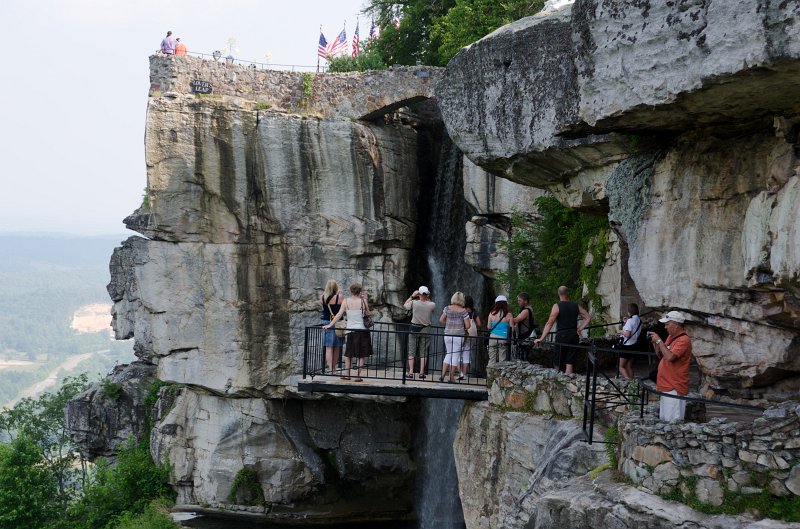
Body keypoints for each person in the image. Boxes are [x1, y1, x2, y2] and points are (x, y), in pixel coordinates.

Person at [534, 286, 590, 374]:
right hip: (574, 335)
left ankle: (556, 380)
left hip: (562, 336)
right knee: (569, 361)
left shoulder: (557, 306)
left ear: (558, 293)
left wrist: (541, 338)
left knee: (558, 360)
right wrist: (580, 328)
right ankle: (568, 381)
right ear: (568, 293)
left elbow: (550, 323)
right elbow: (587, 317)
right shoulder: (576, 305)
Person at [323, 283, 373, 381]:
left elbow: (338, 315)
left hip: (350, 331)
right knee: (361, 355)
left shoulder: (345, 301)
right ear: (359, 291)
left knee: (348, 354)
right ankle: (358, 376)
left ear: (351, 291)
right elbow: (368, 314)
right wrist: (365, 300)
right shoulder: (363, 301)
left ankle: (347, 375)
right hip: (362, 330)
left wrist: (329, 325)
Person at [649, 310, 692, 422]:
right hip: (667, 384)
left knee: (673, 420)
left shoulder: (684, 340)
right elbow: (661, 355)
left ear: (676, 324)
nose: (665, 327)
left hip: (675, 386)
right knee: (665, 419)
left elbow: (670, 357)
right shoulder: (670, 337)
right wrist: (655, 342)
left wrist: (659, 341)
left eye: (667, 324)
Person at [404, 286, 435, 379]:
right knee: (423, 351)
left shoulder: (414, 303)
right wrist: (426, 296)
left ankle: (411, 372)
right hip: (426, 329)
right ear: (428, 294)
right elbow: (431, 310)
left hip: (414, 328)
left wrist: (412, 296)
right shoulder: (432, 304)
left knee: (412, 351)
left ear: (419, 294)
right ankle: (421, 373)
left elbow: (405, 305)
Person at [439, 292, 470, 383]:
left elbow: (441, 320)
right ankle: (451, 377)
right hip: (458, 335)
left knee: (448, 354)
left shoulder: (447, 308)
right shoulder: (463, 311)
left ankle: (442, 375)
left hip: (447, 334)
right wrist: (461, 326)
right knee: (455, 355)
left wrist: (449, 325)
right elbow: (468, 325)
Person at [320, 280, 344, 375]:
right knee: (337, 347)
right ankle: (334, 368)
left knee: (328, 347)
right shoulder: (340, 297)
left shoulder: (322, 297)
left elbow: (323, 307)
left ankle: (329, 369)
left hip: (326, 323)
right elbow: (343, 309)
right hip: (338, 323)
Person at [486, 295, 513, 366]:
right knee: (502, 358)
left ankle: (489, 375)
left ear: (496, 303)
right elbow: (512, 328)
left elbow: (488, 327)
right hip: (503, 338)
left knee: (491, 358)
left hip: (493, 337)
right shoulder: (509, 314)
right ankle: (500, 375)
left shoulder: (491, 313)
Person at [618, 303, 642, 379]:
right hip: (634, 344)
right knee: (629, 366)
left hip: (627, 346)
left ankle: (629, 383)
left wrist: (620, 331)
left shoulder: (630, 321)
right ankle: (633, 384)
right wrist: (626, 323)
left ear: (629, 311)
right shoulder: (638, 320)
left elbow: (628, 334)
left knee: (621, 367)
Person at [461, 295, 482, 380]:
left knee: (458, 354)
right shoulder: (474, 312)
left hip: (462, 333)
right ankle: (465, 374)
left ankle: (460, 373)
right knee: (466, 353)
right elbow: (479, 324)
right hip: (471, 335)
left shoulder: (462, 311)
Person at [512, 292, 535, 360]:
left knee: (522, 358)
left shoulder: (526, 311)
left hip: (525, 337)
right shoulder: (526, 309)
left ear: (525, 301)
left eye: (520, 300)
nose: (518, 302)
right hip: (525, 336)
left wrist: (507, 317)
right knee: (522, 356)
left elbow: (516, 320)